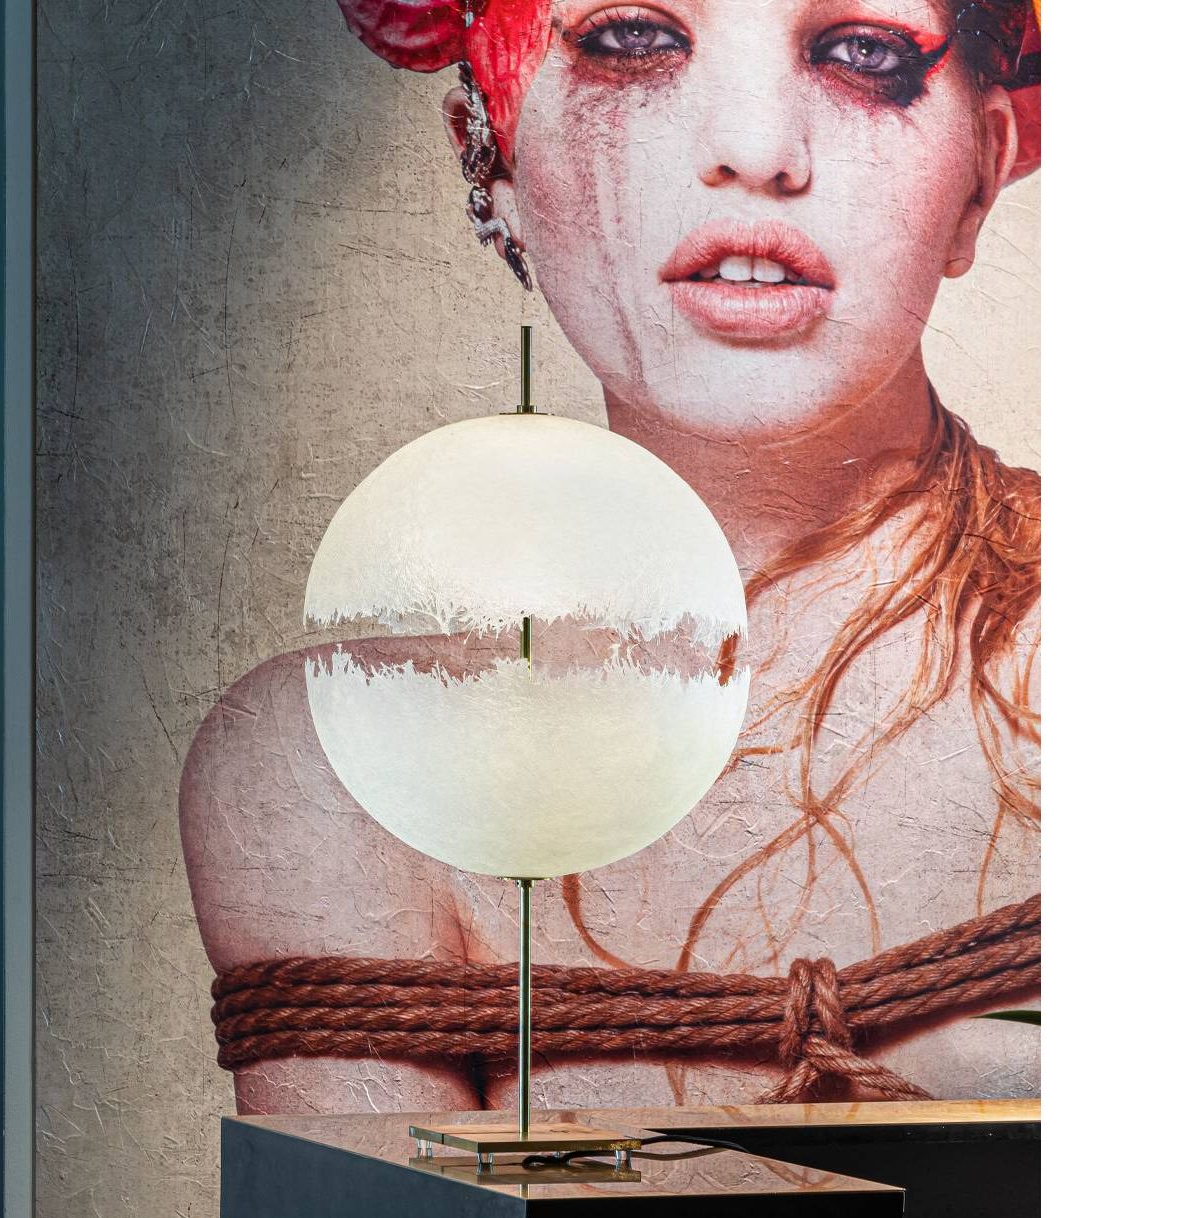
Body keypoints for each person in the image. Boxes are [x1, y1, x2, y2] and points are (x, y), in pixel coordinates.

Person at [181, 0, 1041, 1119]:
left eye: (860, 53)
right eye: (634, 38)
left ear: (982, 171)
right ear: (490, 158)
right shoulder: (341, 769)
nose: (757, 152)